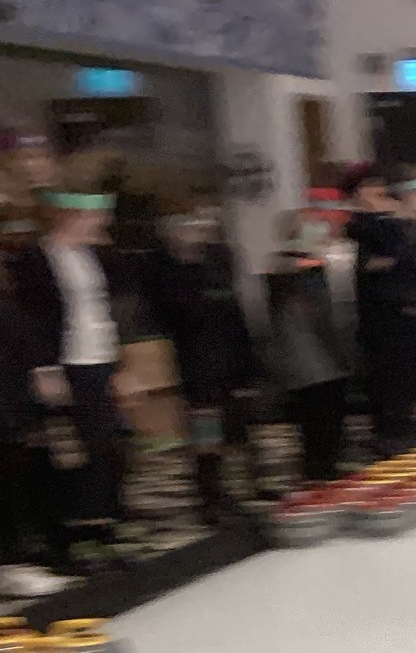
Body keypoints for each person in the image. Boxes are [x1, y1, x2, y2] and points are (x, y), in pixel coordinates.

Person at [11, 181, 130, 560]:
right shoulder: (37, 259)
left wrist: (118, 361)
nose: (102, 222)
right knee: (72, 447)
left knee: (105, 441)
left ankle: (101, 519)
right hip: (66, 361)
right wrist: (45, 365)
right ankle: (69, 527)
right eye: (95, 215)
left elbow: (104, 310)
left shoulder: (92, 255)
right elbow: (32, 319)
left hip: (98, 357)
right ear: (70, 216)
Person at [143, 203, 261, 526]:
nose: (196, 233)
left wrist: (248, 364)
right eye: (188, 228)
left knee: (236, 427)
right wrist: (189, 267)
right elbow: (176, 314)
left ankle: (237, 488)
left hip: (230, 358)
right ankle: (209, 496)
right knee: (205, 431)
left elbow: (234, 311)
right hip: (196, 363)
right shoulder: (163, 269)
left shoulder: (218, 261)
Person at [347, 165, 416, 455]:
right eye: (371, 189)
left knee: (406, 372)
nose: (379, 194)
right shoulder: (364, 225)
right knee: (385, 375)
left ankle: (403, 422)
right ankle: (387, 430)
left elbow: (407, 260)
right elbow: (376, 264)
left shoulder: (397, 225)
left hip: (406, 310)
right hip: (381, 315)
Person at [264, 211, 353, 484]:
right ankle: (319, 466)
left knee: (327, 409)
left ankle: (325, 462)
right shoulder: (289, 265)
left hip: (321, 351)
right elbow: (311, 307)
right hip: (310, 352)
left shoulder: (307, 261)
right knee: (317, 411)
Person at [0, 253, 68, 594]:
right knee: (16, 487)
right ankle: (14, 562)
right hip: (13, 413)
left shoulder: (10, 311)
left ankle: (30, 555)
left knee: (26, 483)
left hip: (15, 410)